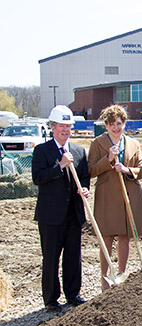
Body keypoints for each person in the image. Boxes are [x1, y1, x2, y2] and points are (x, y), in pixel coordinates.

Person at [32, 105, 89, 311]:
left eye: (68, 126)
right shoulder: (42, 151)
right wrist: (60, 166)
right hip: (51, 215)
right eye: (61, 126)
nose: (65, 130)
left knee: (73, 255)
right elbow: (38, 178)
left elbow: (84, 176)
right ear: (53, 127)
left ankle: (73, 294)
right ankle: (50, 299)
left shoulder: (79, 151)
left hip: (73, 213)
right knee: (51, 257)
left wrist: (84, 188)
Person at [88, 105, 142, 290]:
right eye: (111, 124)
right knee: (107, 237)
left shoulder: (133, 143)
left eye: (119, 123)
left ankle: (121, 275)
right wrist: (107, 159)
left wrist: (126, 170)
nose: (116, 127)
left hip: (129, 194)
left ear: (124, 123)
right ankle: (104, 278)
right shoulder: (97, 143)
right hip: (107, 196)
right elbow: (91, 170)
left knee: (125, 235)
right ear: (106, 126)